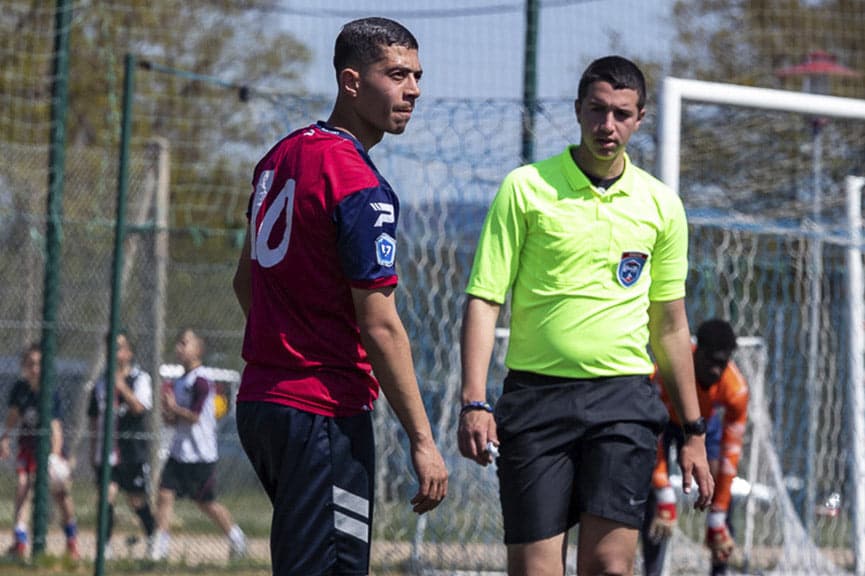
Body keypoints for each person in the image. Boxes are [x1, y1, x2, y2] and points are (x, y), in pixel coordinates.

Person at [457, 55, 714, 576]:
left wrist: (694, 432)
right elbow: (485, 298)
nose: (607, 126)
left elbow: (670, 326)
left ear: (640, 118)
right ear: (577, 110)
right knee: (535, 570)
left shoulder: (661, 206)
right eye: (597, 111)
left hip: (622, 399)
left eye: (622, 114)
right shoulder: (525, 188)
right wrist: (474, 400)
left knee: (610, 566)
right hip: (536, 399)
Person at [232, 16, 448, 576]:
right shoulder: (357, 183)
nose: (413, 90)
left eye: (417, 76)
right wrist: (423, 440)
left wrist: (288, 344)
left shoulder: (278, 157)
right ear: (351, 82)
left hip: (261, 403)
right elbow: (380, 325)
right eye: (396, 74)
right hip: (321, 413)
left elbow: (243, 282)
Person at [641, 318, 749, 576]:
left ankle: (718, 562)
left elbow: (729, 456)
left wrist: (717, 516)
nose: (715, 370)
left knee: (718, 491)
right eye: (710, 360)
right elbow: (650, 432)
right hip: (665, 422)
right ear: (695, 350)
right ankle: (652, 571)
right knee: (653, 498)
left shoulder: (736, 391)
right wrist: (665, 494)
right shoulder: (667, 372)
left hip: (703, 426)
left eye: (722, 364)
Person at [150, 328, 247, 561]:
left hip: (200, 454)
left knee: (206, 503)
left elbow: (194, 416)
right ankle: (159, 546)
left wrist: (174, 409)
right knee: (164, 494)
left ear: (198, 350)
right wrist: (168, 414)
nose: (179, 348)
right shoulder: (180, 380)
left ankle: (236, 536)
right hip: (179, 451)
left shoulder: (202, 381)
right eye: (178, 343)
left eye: (185, 343)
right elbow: (177, 420)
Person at [0, 343, 79, 560]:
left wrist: (53, 457)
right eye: (30, 364)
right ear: (24, 366)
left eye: (39, 364)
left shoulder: (49, 392)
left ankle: (72, 542)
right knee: (22, 488)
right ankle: (21, 542)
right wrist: (5, 437)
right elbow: (14, 416)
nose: (35, 369)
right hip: (27, 448)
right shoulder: (20, 389)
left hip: (49, 450)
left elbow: (56, 430)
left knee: (60, 496)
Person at [87, 331, 156, 557]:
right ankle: (104, 546)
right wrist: (92, 450)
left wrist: (121, 386)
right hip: (107, 452)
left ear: (129, 352)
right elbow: (95, 418)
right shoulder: (101, 383)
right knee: (107, 496)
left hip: (132, 452)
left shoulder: (140, 379)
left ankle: (153, 537)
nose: (115, 353)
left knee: (136, 500)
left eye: (119, 347)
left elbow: (139, 408)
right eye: (111, 348)